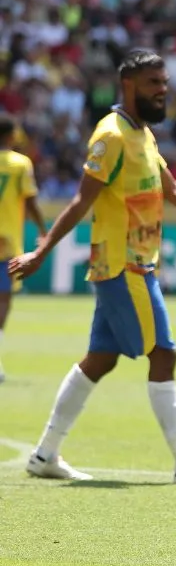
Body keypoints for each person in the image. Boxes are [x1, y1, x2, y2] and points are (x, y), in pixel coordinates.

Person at [8, 49, 176, 484]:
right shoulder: (110, 137)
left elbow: (173, 190)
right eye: (153, 84)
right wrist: (42, 251)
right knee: (163, 352)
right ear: (128, 85)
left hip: (133, 263)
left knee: (99, 360)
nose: (163, 91)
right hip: (123, 264)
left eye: (164, 83)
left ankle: (45, 454)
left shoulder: (142, 134)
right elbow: (79, 202)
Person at [0, 113, 47, 383]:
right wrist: (43, 231)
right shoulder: (19, 164)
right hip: (5, 240)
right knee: (3, 299)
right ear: (10, 136)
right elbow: (30, 202)